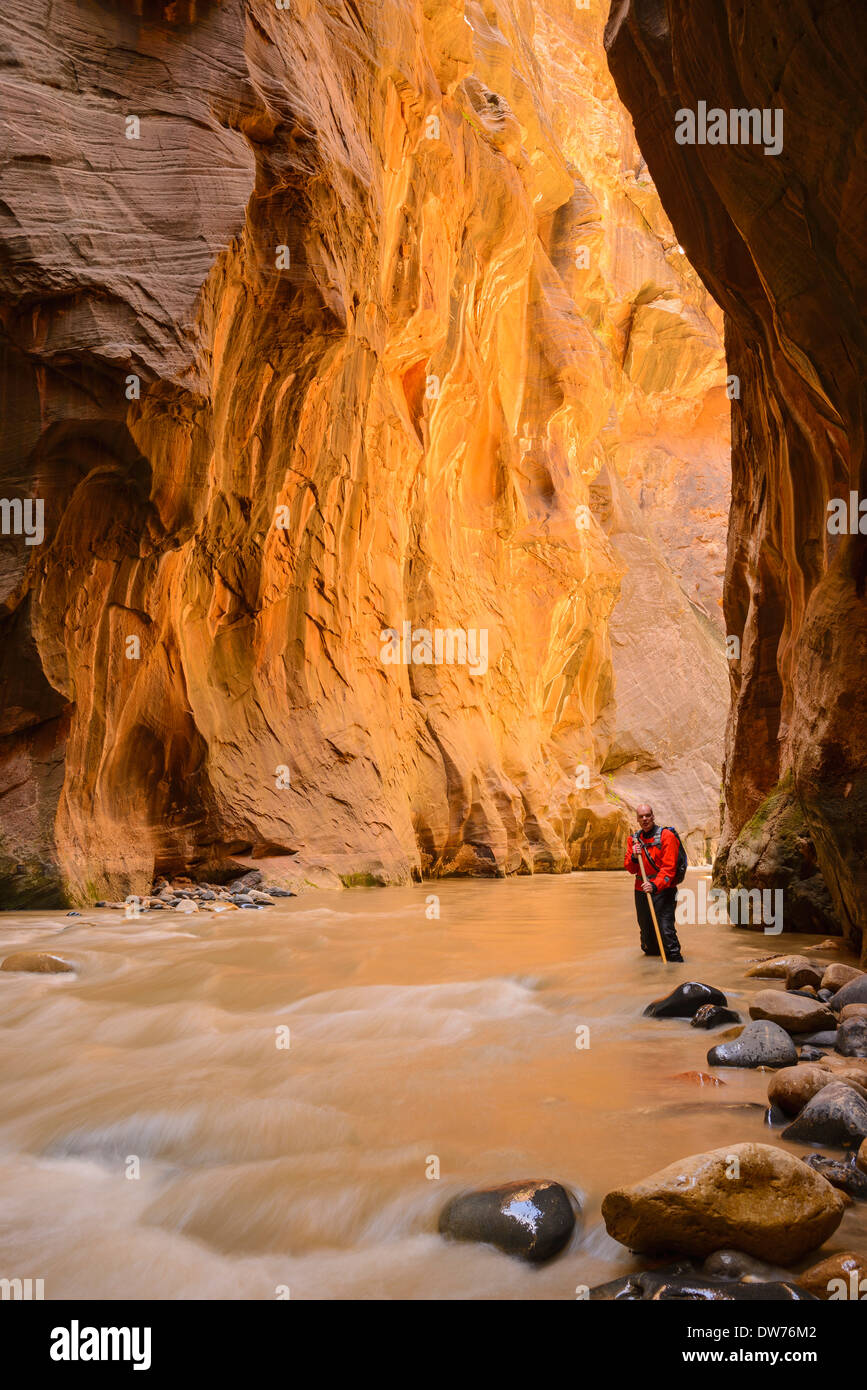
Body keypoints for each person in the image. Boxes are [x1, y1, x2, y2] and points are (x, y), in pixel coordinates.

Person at [624, 803, 684, 961]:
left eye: (647, 815)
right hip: (641, 889)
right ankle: (652, 976)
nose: (644, 819)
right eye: (641, 816)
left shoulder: (666, 836)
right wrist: (633, 857)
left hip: (664, 890)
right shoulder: (634, 840)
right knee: (647, 935)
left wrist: (655, 885)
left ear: (653, 816)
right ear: (637, 819)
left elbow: (669, 869)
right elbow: (630, 869)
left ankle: (674, 964)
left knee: (665, 930)